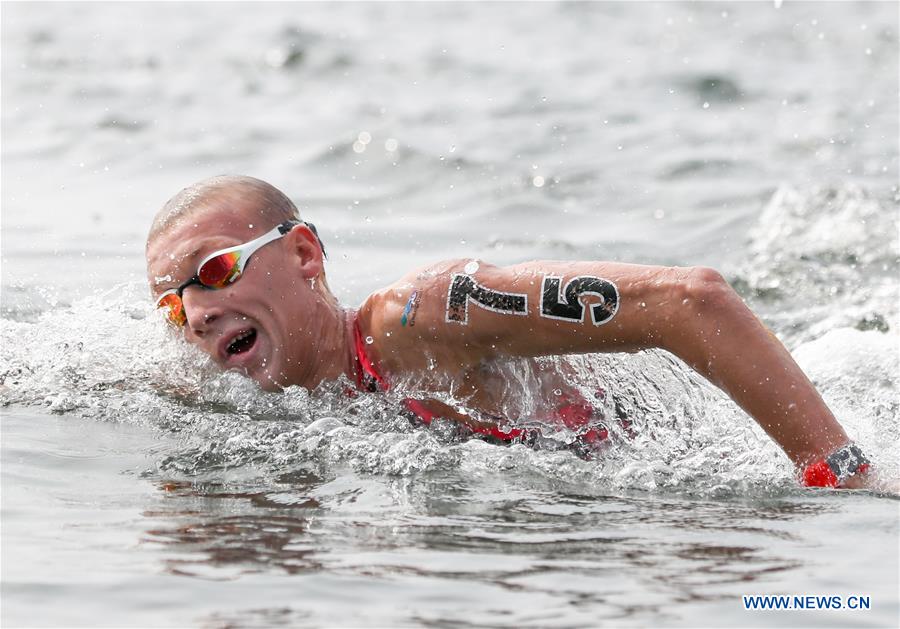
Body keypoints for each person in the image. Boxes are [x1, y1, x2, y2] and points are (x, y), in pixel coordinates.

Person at [146, 175, 872, 489]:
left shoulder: (421, 318)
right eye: (173, 306)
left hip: (730, 433)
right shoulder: (254, 397)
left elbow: (692, 303)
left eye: (212, 270)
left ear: (305, 254)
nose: (198, 311)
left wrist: (835, 471)